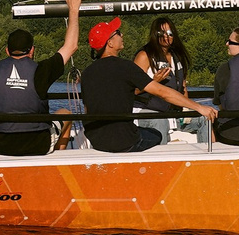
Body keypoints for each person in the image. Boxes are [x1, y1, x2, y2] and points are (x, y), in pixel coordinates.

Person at [79, 16, 202, 152]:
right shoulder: (126, 67)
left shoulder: (86, 73)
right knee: (156, 134)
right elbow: (162, 92)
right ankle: (161, 168)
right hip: (124, 140)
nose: (122, 34)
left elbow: (87, 109)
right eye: (118, 32)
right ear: (110, 43)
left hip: (97, 141)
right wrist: (199, 107)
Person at [0, 0, 81, 156]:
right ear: (32, 51)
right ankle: (56, 162)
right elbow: (71, 46)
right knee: (66, 114)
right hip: (36, 143)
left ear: (7, 51)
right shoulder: (41, 71)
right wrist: (73, 10)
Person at [134, 20, 190, 94]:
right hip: (147, 104)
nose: (166, 36)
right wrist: (154, 81)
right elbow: (134, 90)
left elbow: (183, 88)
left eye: (170, 33)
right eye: (162, 33)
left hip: (173, 103)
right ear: (155, 34)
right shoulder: (145, 56)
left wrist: (187, 105)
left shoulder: (178, 56)